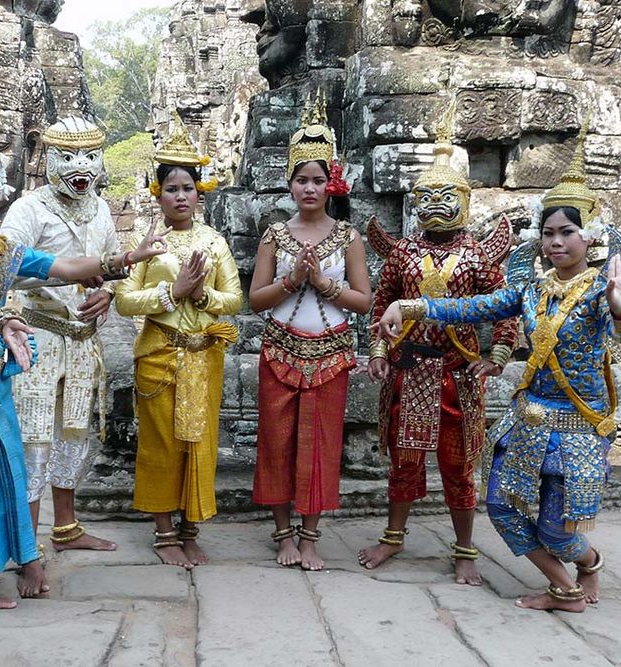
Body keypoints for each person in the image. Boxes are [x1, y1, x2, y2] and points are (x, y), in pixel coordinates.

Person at [0, 64, 164, 610]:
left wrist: (124, 262)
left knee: (5, 469)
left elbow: (63, 266)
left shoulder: (2, 245)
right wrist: (1, 317)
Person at [376, 119, 621, 612]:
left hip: (579, 423)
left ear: (590, 237)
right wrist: (410, 308)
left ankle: (585, 570)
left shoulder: (602, 291)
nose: (555, 242)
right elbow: (471, 308)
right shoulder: (529, 290)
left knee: (558, 531)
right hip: (529, 416)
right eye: (548, 233)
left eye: (567, 232)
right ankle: (569, 587)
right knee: (501, 506)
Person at [357, 101, 519, 583]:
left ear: (463, 201)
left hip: (457, 372)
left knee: (457, 465)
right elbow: (379, 305)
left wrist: (498, 355)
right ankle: (393, 538)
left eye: (443, 197)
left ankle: (466, 549)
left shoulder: (477, 254)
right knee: (404, 462)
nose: (432, 207)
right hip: (409, 371)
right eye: (424, 198)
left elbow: (506, 307)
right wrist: (380, 350)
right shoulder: (404, 251)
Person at [249, 90, 371, 571]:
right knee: (276, 441)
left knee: (320, 444)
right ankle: (283, 534)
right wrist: (292, 280)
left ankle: (311, 536)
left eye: (318, 180)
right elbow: (255, 300)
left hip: (331, 351)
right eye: (301, 179)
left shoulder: (349, 237)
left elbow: (363, 300)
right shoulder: (275, 235)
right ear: (290, 183)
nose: (309, 188)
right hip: (279, 347)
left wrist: (324, 283)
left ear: (331, 184)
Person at [114, 111, 242, 570]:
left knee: (199, 441)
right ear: (158, 192)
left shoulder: (214, 242)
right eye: (171, 188)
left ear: (200, 191)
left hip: (203, 355)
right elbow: (125, 302)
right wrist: (172, 291)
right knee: (161, 443)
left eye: (188, 187)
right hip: (160, 353)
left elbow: (235, 300)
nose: (180, 196)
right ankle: (164, 530)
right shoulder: (148, 242)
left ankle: (192, 528)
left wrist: (202, 293)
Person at [1, 116, 119, 557]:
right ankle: (26, 545)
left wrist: (106, 292)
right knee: (34, 437)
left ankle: (66, 527)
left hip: (82, 340)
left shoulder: (101, 210)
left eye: (89, 156)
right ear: (47, 157)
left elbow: (111, 267)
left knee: (75, 435)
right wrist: (58, 279)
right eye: (67, 157)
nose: (80, 167)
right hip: (39, 335)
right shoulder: (29, 209)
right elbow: (5, 267)